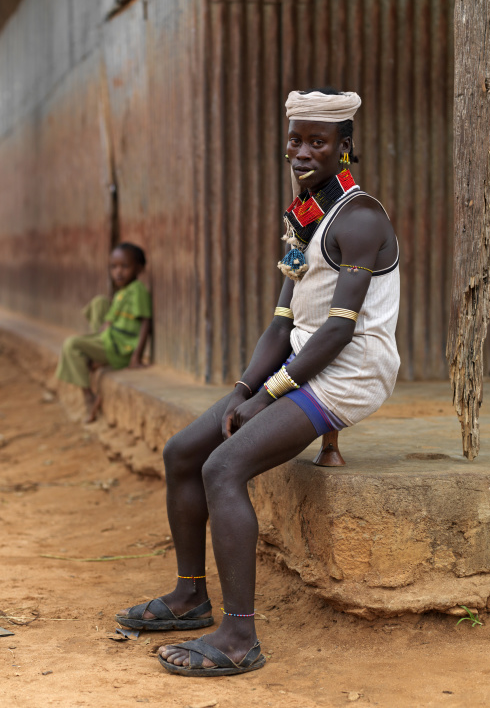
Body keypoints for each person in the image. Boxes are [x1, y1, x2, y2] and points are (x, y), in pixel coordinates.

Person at [116, 88, 400, 676]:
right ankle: (190, 596)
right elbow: (283, 323)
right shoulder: (306, 215)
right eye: (295, 139)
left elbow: (341, 333)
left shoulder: (362, 217)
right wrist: (246, 389)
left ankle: (239, 638)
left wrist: (270, 394)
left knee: (223, 467)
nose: (301, 151)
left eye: (317, 142)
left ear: (345, 146)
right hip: (304, 359)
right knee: (183, 451)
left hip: (350, 373)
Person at [55, 242, 152, 423]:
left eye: (125, 266)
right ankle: (96, 356)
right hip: (110, 339)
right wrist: (108, 320)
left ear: (139, 269)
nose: (118, 272)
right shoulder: (122, 292)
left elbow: (146, 321)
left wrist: (136, 357)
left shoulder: (137, 290)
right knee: (99, 302)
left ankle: (88, 397)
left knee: (71, 345)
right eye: (114, 267)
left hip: (119, 348)